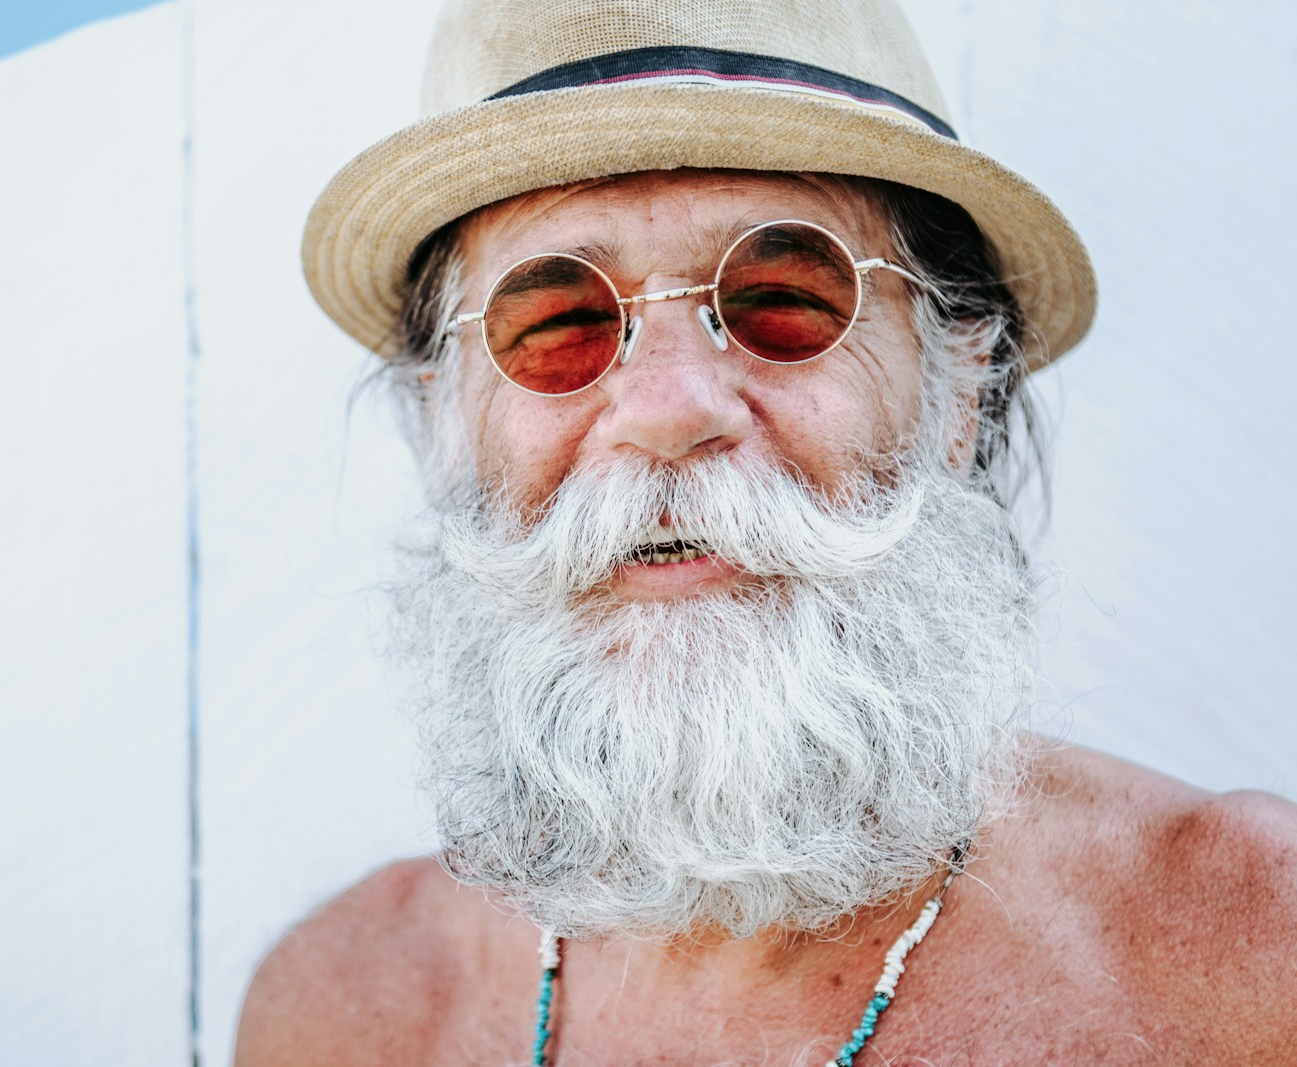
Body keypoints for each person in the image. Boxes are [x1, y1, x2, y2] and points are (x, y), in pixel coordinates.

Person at [236, 0, 1297, 1061]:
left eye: (782, 297)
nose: (666, 409)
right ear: (443, 419)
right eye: (558, 322)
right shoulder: (348, 1009)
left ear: (958, 389)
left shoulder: (1249, 961)